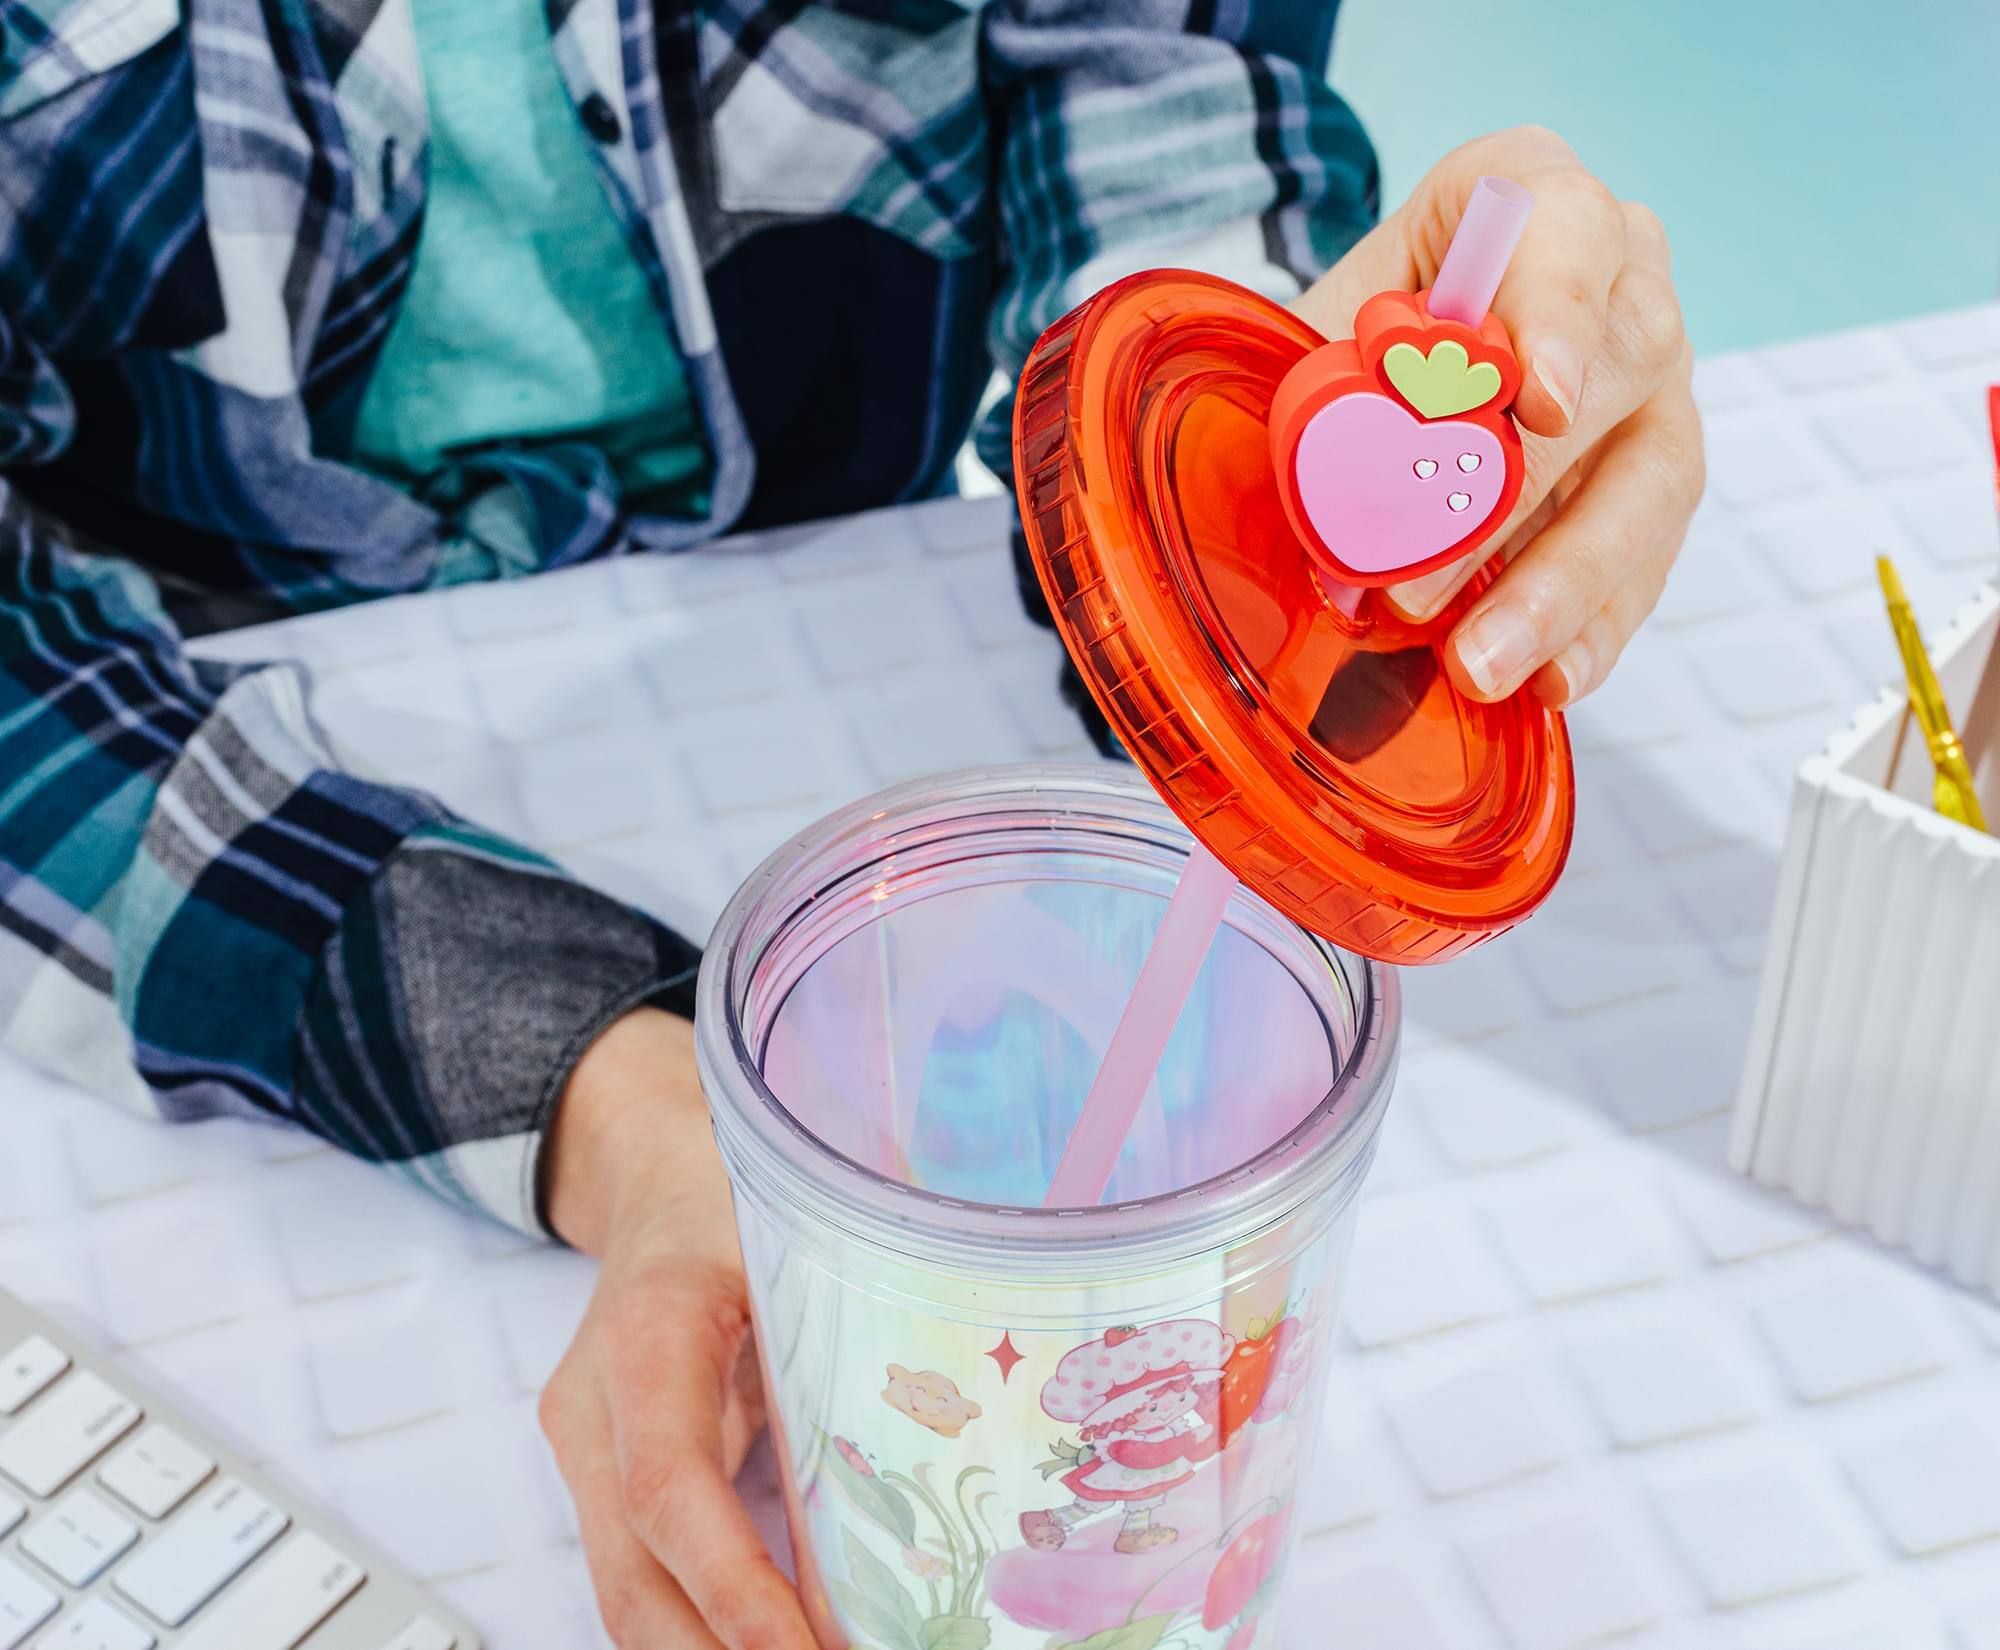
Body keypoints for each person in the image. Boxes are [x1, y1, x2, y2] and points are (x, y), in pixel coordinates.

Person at [0, 2, 1701, 1645]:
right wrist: (637, 1104)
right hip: (179, 733)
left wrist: (1308, 445)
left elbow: (1154, 79)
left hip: (851, 642)